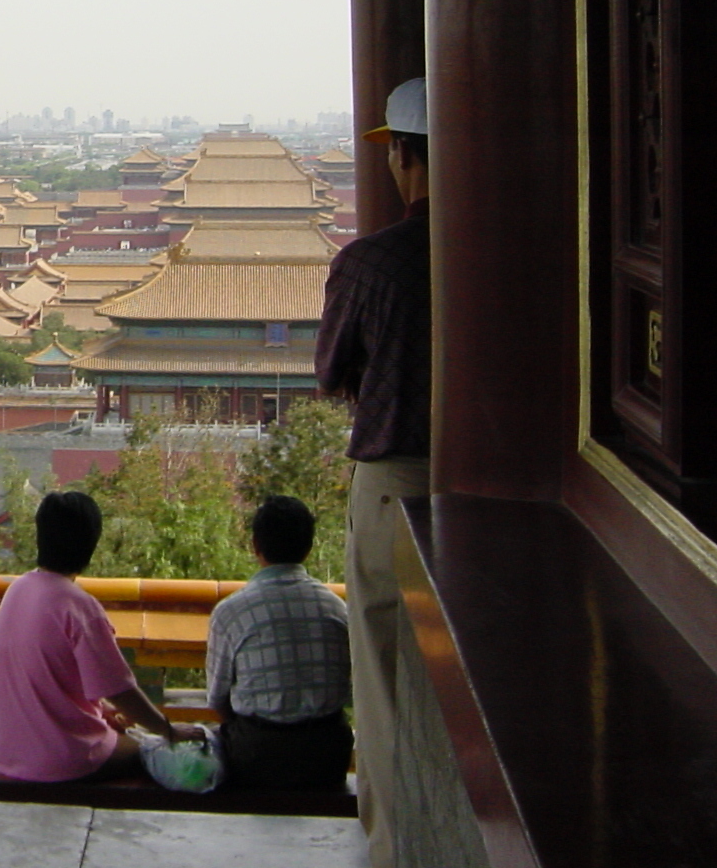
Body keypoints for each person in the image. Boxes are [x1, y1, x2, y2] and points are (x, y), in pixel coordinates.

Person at [315, 76, 431, 865]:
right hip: (509, 491)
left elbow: (331, 373)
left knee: (385, 674)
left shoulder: (371, 263)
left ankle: (395, 844)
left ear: (404, 159)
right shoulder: (521, 251)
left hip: (396, 480)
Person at [0, 491, 203, 782]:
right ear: (90, 543)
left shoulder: (17, 591)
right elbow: (119, 690)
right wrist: (168, 730)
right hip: (66, 761)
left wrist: (103, 710)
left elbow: (48, 677)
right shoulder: (78, 607)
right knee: (160, 757)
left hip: (11, 760)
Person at [205, 496, 352, 790]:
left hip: (258, 754)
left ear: (255, 545)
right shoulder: (338, 609)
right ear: (309, 548)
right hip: (328, 755)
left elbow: (217, 699)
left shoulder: (232, 611)